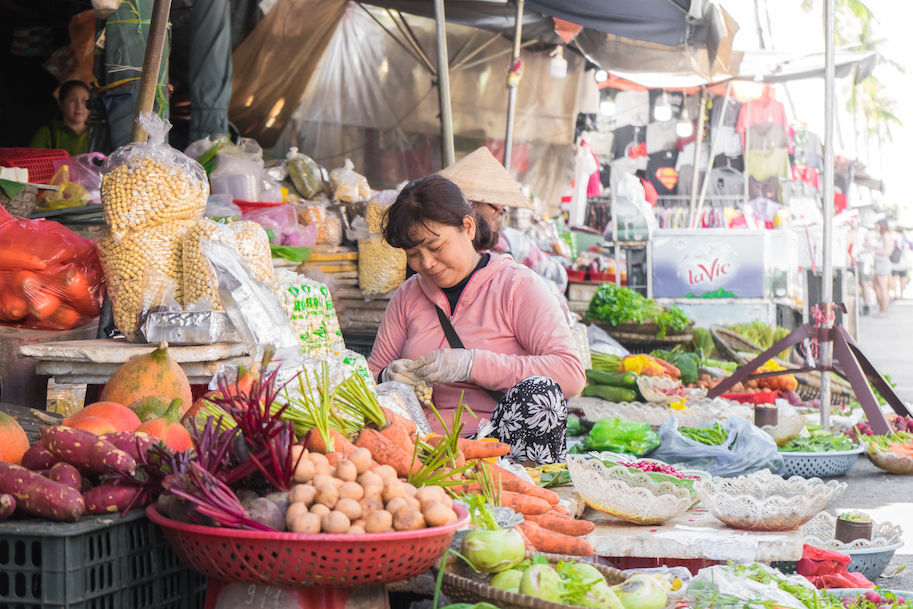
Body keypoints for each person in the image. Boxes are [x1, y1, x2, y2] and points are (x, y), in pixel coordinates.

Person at [367, 175, 585, 465]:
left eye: (435, 246)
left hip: (502, 448)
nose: (427, 263)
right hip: (420, 447)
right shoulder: (408, 296)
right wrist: (387, 377)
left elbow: (571, 374)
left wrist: (471, 364)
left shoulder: (517, 286)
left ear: (467, 227)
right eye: (414, 255)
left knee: (540, 393)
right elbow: (369, 377)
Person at [29, 80, 90, 156]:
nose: (79, 106)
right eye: (72, 100)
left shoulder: (98, 133)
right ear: (61, 104)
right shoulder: (47, 133)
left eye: (84, 101)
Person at [871, 219, 895, 318]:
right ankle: (881, 309)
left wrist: (874, 250)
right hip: (880, 264)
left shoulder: (886, 236)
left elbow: (887, 252)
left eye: (877, 225)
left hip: (883, 264)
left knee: (883, 288)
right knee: (877, 287)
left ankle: (884, 310)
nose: (876, 227)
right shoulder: (883, 236)